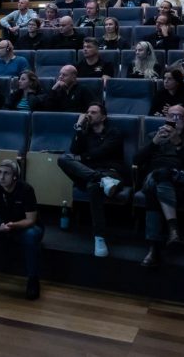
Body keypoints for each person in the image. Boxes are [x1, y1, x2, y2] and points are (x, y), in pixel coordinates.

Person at [135, 106, 184, 267]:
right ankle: (173, 231)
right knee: (158, 176)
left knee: (156, 186)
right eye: (172, 116)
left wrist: (178, 143)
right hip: (153, 177)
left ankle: (153, 248)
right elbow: (136, 161)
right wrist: (154, 143)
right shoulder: (154, 135)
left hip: (180, 180)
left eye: (179, 116)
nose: (175, 119)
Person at [57, 103, 126, 257]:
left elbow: (101, 152)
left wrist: (82, 157)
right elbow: (74, 150)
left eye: (93, 112)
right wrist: (79, 127)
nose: (89, 114)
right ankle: (101, 179)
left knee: (94, 187)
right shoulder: (85, 133)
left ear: (103, 117)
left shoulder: (114, 132)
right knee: (63, 159)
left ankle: (99, 238)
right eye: (87, 111)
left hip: (112, 173)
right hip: (90, 173)